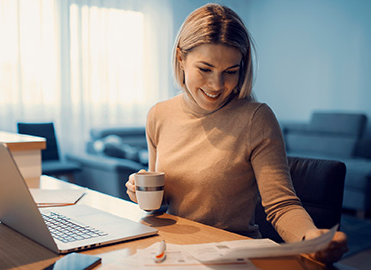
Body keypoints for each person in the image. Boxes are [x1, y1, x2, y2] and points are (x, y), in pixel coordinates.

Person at [125, 3, 348, 264]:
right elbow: (160, 201)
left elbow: (281, 205)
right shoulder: (158, 115)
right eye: (205, 69)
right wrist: (140, 193)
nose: (217, 86)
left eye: (231, 72)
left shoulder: (256, 118)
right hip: (174, 251)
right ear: (180, 58)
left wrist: (311, 239)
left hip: (231, 257)